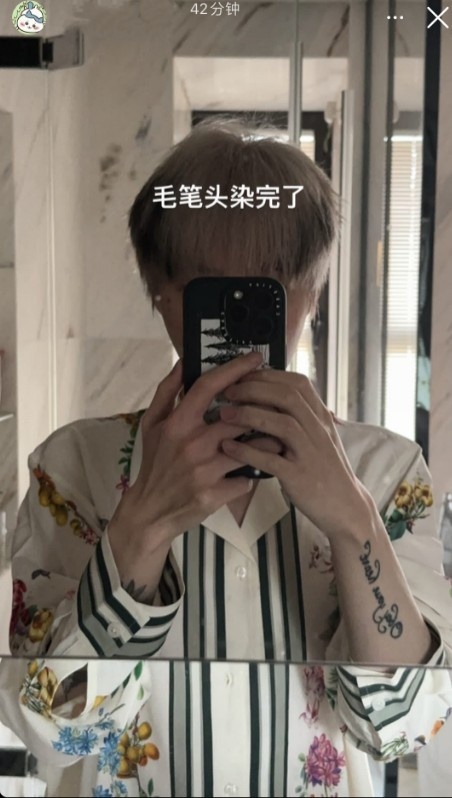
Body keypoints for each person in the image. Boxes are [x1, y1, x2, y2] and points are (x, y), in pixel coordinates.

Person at [0, 119, 451, 798]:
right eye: (209, 285)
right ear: (160, 295)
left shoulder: (386, 473)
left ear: (310, 296)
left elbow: (400, 729)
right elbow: (50, 732)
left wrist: (353, 523)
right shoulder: (74, 469)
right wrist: (141, 526)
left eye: (268, 284)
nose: (238, 315)